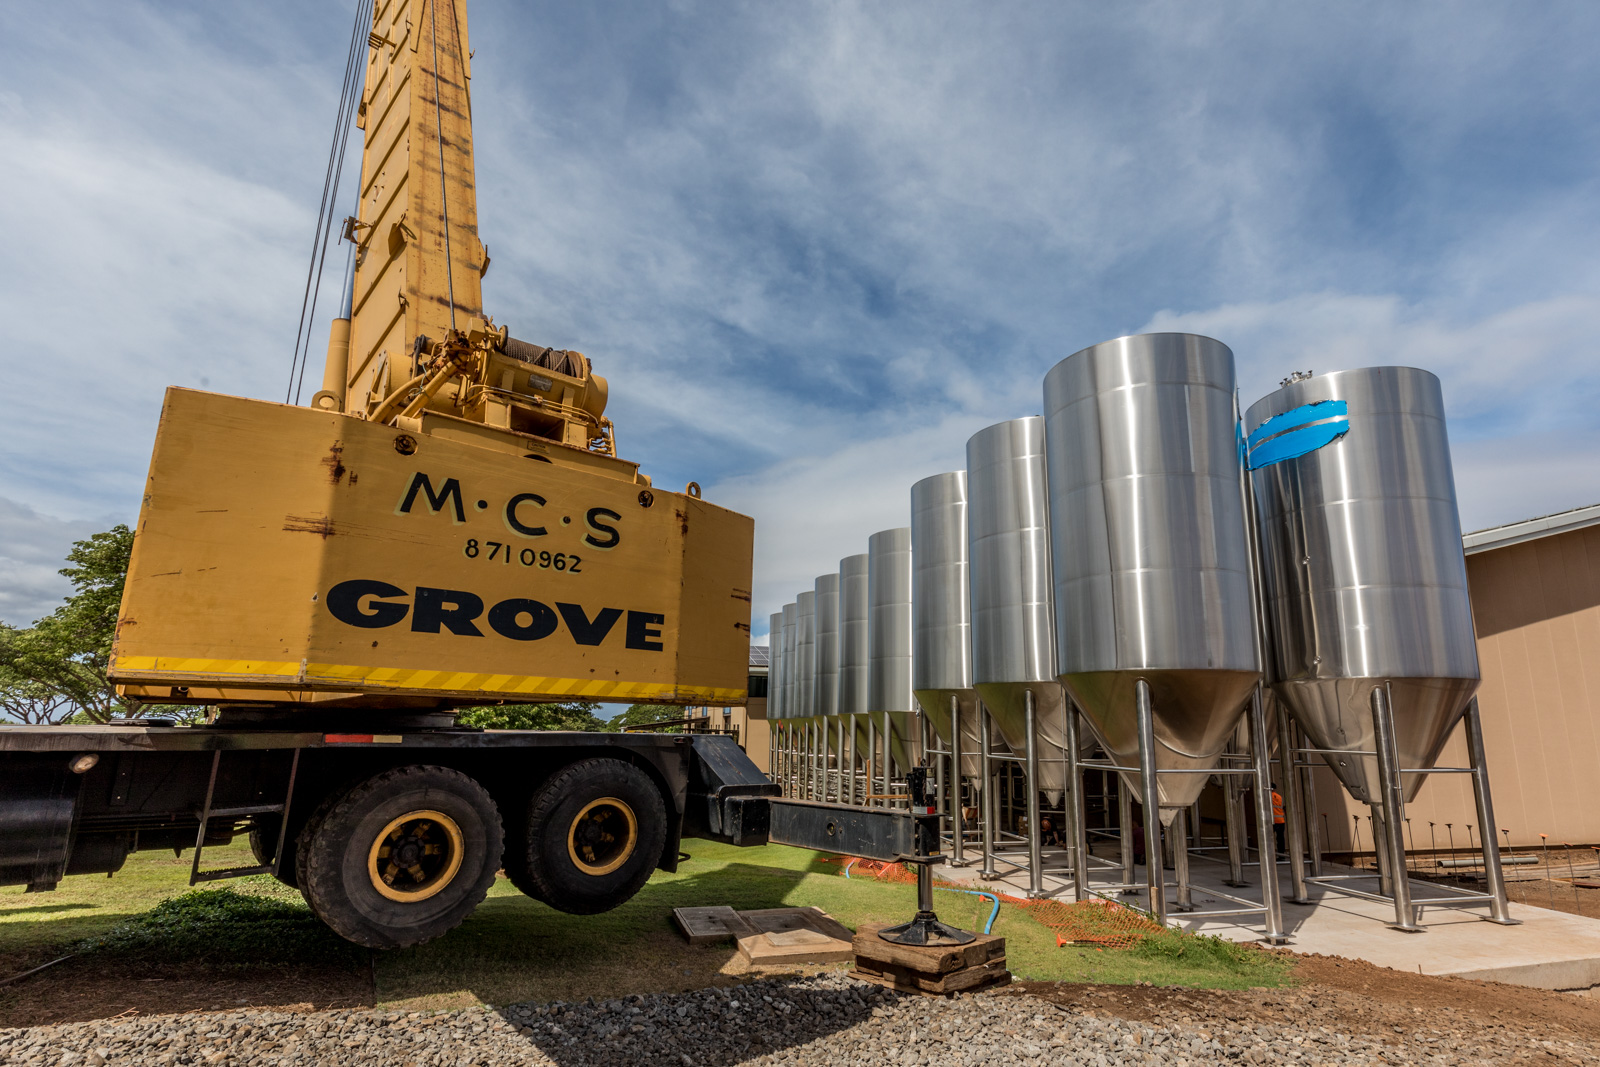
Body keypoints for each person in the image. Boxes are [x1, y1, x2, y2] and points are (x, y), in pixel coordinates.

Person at [1271, 782, 1286, 856]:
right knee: (1280, 839)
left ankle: (1269, 855)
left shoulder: (1268, 796)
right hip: (1281, 820)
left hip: (1272, 821)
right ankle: (1281, 854)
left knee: (1269, 839)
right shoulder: (1279, 797)